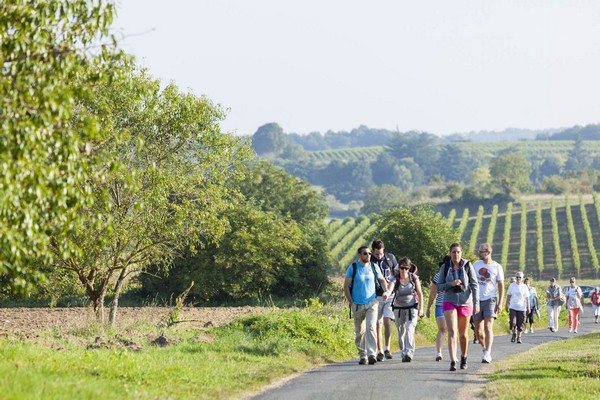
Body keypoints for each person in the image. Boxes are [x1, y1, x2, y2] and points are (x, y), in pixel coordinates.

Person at [344, 246, 391, 365]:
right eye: (365, 253)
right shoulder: (353, 268)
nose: (368, 255)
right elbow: (346, 286)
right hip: (357, 304)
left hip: (372, 303)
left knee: (371, 327)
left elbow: (382, 280)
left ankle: (371, 354)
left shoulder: (374, 267)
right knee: (360, 332)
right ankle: (362, 355)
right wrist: (351, 302)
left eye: (370, 253)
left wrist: (385, 291)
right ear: (360, 255)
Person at [436, 243, 479, 371]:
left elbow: (474, 285)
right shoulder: (445, 267)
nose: (456, 254)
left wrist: (476, 303)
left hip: (466, 302)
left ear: (461, 253)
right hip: (449, 301)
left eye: (458, 252)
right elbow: (439, 287)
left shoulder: (467, 266)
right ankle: (453, 360)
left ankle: (464, 357)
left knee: (463, 334)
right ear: (450, 254)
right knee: (452, 331)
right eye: (453, 252)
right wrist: (451, 283)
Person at [472, 242, 504, 364]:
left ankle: (488, 353)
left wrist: (500, 303)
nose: (479, 254)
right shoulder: (476, 264)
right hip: (477, 300)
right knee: (478, 331)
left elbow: (501, 285)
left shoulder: (497, 267)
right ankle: (485, 348)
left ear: (489, 252)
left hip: (490, 299)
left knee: (488, 326)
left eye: (481, 252)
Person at [391, 257, 424, 362]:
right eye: (402, 268)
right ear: (399, 268)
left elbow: (419, 293)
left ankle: (409, 352)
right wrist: (386, 293)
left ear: (409, 268)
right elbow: (390, 287)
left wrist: (421, 309)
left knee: (410, 329)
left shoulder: (414, 278)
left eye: (406, 268)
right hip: (398, 308)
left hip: (412, 307)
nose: (404, 270)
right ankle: (403, 352)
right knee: (401, 331)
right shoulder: (395, 279)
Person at [370, 239, 399, 361]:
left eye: (381, 253)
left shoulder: (390, 258)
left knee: (387, 321)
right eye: (377, 254)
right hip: (375, 296)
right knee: (377, 324)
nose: (379, 256)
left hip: (390, 295)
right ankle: (380, 350)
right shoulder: (369, 261)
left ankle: (387, 347)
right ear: (373, 251)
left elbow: (396, 273)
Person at [426, 255, 450, 362]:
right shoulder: (437, 276)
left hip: (452, 304)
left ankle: (452, 353)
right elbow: (432, 293)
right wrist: (428, 307)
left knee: (452, 329)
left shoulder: (456, 275)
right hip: (440, 304)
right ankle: (439, 352)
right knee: (442, 328)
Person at [505, 271, 530, 344]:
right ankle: (514, 334)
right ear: (515, 278)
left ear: (522, 278)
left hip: (522, 307)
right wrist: (506, 304)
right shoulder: (512, 285)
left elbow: (527, 297)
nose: (518, 278)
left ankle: (519, 337)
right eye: (517, 277)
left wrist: (528, 307)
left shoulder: (524, 286)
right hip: (513, 306)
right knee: (512, 322)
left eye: (520, 277)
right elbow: (508, 295)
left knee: (521, 323)